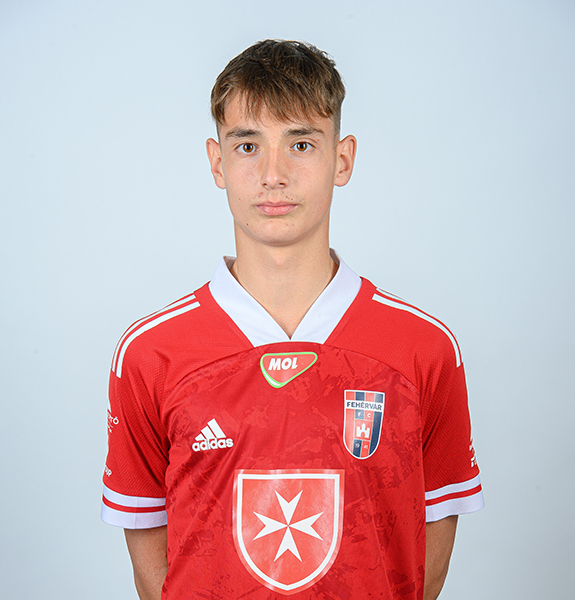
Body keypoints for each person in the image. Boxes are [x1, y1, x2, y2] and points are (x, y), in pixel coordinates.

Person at [101, 40, 484, 600]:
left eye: (301, 144)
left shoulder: (422, 348)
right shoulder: (150, 352)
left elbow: (430, 543)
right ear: (217, 162)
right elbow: (151, 557)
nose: (273, 174)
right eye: (248, 145)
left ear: (342, 159)